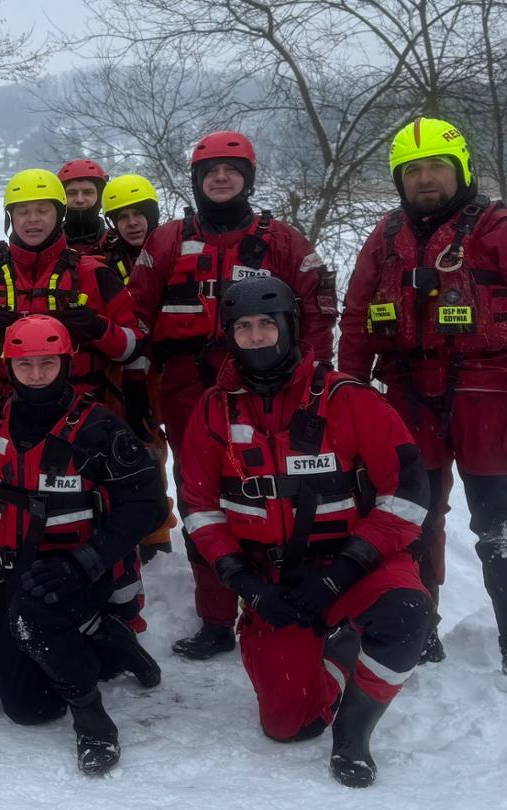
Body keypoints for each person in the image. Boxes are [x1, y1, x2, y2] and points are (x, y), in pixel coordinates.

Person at [339, 117, 507, 702]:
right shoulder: (384, 238)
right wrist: (345, 397)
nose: (426, 179)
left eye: (437, 165)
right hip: (407, 394)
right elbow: (357, 321)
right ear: (398, 180)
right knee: (410, 518)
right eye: (412, 170)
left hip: (489, 395)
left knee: (503, 523)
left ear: (461, 168)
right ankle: (420, 627)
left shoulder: (504, 231)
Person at [179, 277, 433, 787]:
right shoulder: (212, 410)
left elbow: (407, 497)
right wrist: (246, 586)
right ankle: (339, 651)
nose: (256, 337)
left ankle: (354, 736)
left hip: (353, 565)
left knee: (407, 612)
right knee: (288, 726)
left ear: (289, 327)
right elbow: (199, 508)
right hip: (271, 584)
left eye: (266, 325)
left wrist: (343, 573)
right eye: (243, 328)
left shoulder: (348, 398)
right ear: (229, 336)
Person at [0, 314, 168, 775]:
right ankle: (108, 643)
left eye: (46, 364)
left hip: (84, 572)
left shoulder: (101, 429)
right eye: (26, 365)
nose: (36, 374)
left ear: (66, 363)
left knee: (29, 618)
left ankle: (94, 721)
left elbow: (148, 505)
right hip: (20, 573)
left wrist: (85, 562)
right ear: (10, 367)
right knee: (28, 709)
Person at [132, 130, 339, 661]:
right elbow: (134, 315)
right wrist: (139, 392)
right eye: (210, 171)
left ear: (248, 177)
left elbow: (317, 313)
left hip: (269, 391)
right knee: (202, 497)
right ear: (197, 180)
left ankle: (281, 600)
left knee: (271, 495)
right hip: (187, 392)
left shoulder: (285, 242)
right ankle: (216, 616)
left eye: (232, 169)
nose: (221, 178)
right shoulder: (168, 241)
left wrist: (313, 379)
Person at [0, 169, 141, 408]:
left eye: (43, 210)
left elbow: (132, 346)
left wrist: (97, 328)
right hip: (3, 410)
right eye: (23, 212)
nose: (33, 219)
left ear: (59, 215)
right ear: (10, 218)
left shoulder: (94, 275)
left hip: (80, 412)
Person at [100, 173, 178, 582]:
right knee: (128, 450)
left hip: (164, 368)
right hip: (122, 371)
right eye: (122, 217)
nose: (132, 223)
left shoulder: (174, 251)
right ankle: (127, 528)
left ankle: (157, 532)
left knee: (153, 452)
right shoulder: (104, 261)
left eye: (139, 214)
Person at [59, 159, 111, 257]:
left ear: (100, 196)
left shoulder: (116, 243)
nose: (80, 200)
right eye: (71, 193)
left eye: (88, 192)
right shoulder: (47, 242)